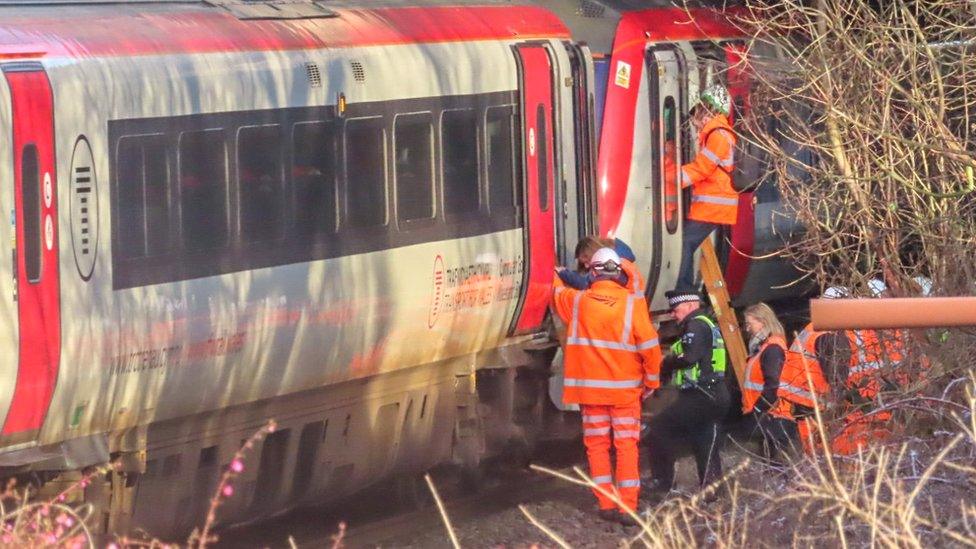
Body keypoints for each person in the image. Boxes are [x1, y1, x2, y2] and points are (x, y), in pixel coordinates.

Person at [551, 248, 662, 522]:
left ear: (592, 273)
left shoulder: (577, 303)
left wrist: (556, 273)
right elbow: (650, 348)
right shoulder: (632, 305)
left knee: (597, 446)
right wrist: (651, 381)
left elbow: (554, 291)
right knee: (626, 447)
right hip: (624, 393)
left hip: (590, 393)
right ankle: (627, 507)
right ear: (618, 273)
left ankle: (606, 504)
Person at [644, 290, 730, 500]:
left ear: (691, 305)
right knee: (705, 438)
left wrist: (667, 362)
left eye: (676, 309)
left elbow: (689, 357)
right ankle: (712, 490)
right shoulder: (707, 324)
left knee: (659, 429)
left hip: (700, 396)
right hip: (715, 394)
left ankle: (661, 482)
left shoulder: (695, 325)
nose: (673, 314)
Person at [675, 84, 738, 292]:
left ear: (709, 108)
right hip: (711, 206)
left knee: (684, 244)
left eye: (701, 107)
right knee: (686, 243)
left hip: (713, 207)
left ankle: (684, 291)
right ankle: (686, 290)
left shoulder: (718, 135)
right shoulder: (715, 134)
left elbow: (702, 169)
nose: (697, 112)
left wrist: (670, 179)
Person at [779, 286, 850, 454]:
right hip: (817, 403)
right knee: (826, 452)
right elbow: (835, 374)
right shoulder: (829, 333)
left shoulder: (813, 328)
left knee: (813, 450)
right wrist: (845, 399)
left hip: (801, 401)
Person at [739, 303, 798, 462]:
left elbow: (773, 385)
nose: (747, 329)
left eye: (749, 323)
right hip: (770, 415)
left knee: (774, 465)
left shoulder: (771, 349)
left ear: (762, 322)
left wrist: (758, 409)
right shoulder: (766, 348)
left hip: (772, 416)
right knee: (772, 465)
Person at [557, 236, 645, 295]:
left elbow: (586, 283)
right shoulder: (620, 257)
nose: (586, 266)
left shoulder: (612, 265)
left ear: (596, 253)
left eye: (587, 261)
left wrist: (562, 272)